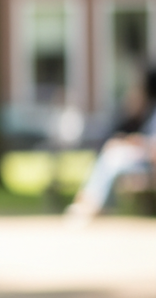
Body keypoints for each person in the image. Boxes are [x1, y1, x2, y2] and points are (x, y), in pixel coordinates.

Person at [66, 67, 156, 218]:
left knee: (113, 156)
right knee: (111, 152)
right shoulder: (148, 111)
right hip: (143, 157)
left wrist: (129, 142)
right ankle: (93, 201)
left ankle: (92, 202)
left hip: (148, 161)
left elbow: (152, 146)